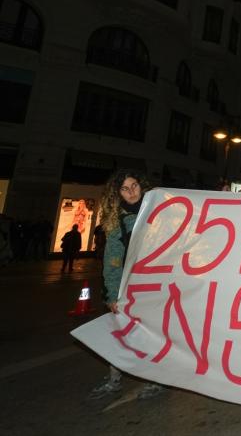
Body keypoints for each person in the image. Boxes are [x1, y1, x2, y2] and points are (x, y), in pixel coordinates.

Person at [88, 170, 164, 401]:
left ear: (143, 186)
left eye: (134, 186)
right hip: (130, 289)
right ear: (117, 193)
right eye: (125, 188)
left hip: (157, 286)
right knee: (120, 334)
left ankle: (156, 379)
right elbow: (113, 261)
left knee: (154, 335)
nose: (131, 192)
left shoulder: (161, 212)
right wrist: (112, 295)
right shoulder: (118, 221)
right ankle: (114, 379)